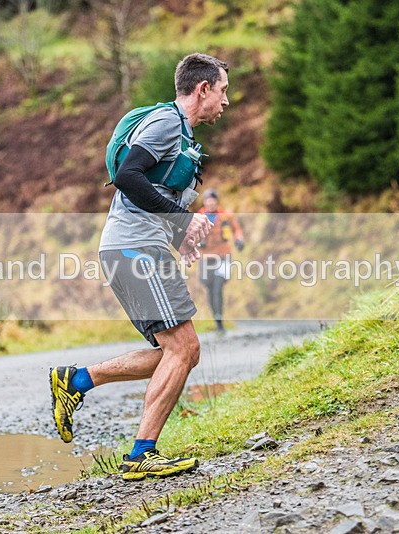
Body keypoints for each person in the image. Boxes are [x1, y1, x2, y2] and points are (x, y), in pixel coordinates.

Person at [49, 53, 230, 481]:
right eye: (223, 91)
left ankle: (76, 382)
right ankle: (140, 454)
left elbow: (151, 195)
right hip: (133, 251)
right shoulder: (167, 123)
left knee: (183, 352)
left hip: (138, 249)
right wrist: (184, 220)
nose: (226, 102)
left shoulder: (184, 137)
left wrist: (178, 236)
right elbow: (129, 177)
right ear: (202, 89)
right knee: (183, 349)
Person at [197, 189, 244, 333]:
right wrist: (196, 243)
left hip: (223, 256)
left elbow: (237, 230)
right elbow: (189, 234)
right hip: (206, 258)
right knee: (209, 288)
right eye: (207, 200)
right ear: (204, 202)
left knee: (218, 287)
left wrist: (239, 240)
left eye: (213, 200)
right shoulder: (199, 216)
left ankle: (220, 323)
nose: (210, 202)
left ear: (217, 201)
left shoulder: (225, 216)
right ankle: (217, 321)